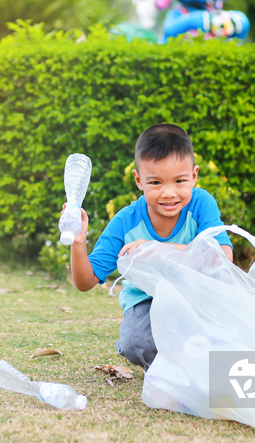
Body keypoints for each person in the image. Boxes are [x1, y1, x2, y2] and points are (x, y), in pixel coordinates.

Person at [67, 123, 233, 370]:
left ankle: (196, 364)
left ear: (194, 176)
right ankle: (167, 368)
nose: (168, 193)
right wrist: (78, 242)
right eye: (155, 183)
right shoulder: (126, 221)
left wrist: (155, 250)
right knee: (136, 342)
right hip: (148, 302)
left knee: (228, 338)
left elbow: (222, 258)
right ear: (139, 180)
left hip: (196, 298)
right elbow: (85, 281)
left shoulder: (201, 204)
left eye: (180, 181)